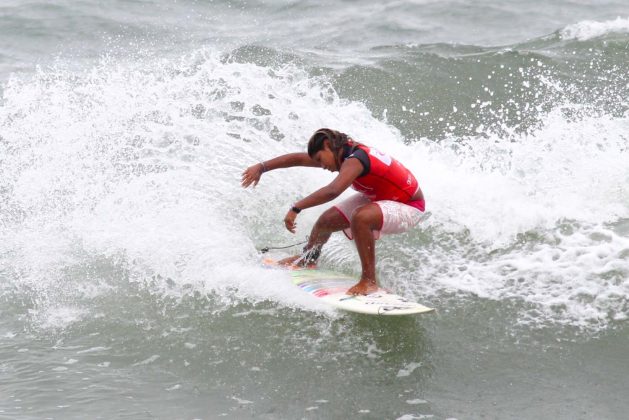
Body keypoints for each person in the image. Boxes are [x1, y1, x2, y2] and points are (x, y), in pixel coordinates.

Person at [241, 128, 425, 295]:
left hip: (409, 205)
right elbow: (298, 159)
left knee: (361, 218)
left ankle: (369, 281)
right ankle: (308, 259)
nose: (322, 166)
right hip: (380, 197)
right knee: (327, 221)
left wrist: (296, 208)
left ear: (328, 145)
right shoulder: (343, 154)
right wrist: (262, 167)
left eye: (321, 160)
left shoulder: (355, 160)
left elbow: (333, 191)